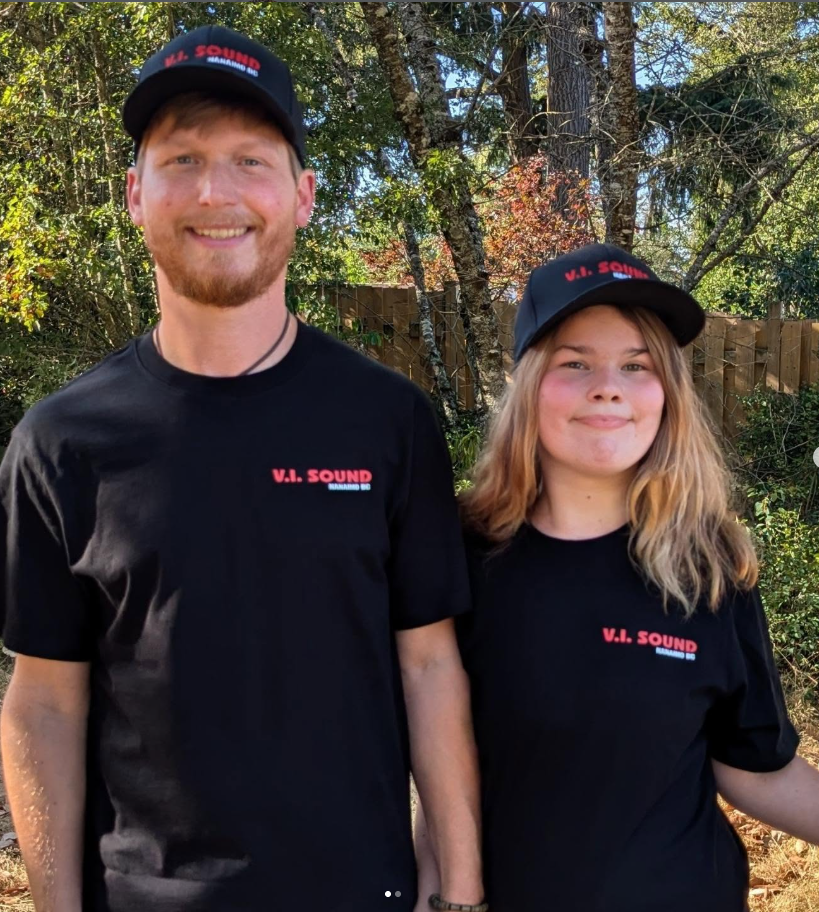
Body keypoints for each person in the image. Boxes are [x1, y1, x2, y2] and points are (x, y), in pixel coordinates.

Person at [0, 26, 486, 912]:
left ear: (301, 195)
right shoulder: (60, 441)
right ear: (133, 196)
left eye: (249, 161)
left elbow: (428, 667)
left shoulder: (388, 421)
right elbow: (43, 702)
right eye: (180, 159)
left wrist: (457, 890)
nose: (215, 191)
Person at [415, 243, 819, 912]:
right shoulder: (459, 556)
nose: (608, 386)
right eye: (575, 363)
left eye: (636, 365)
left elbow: (752, 767)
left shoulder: (710, 568)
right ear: (528, 386)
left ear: (666, 393)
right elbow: (436, 766)